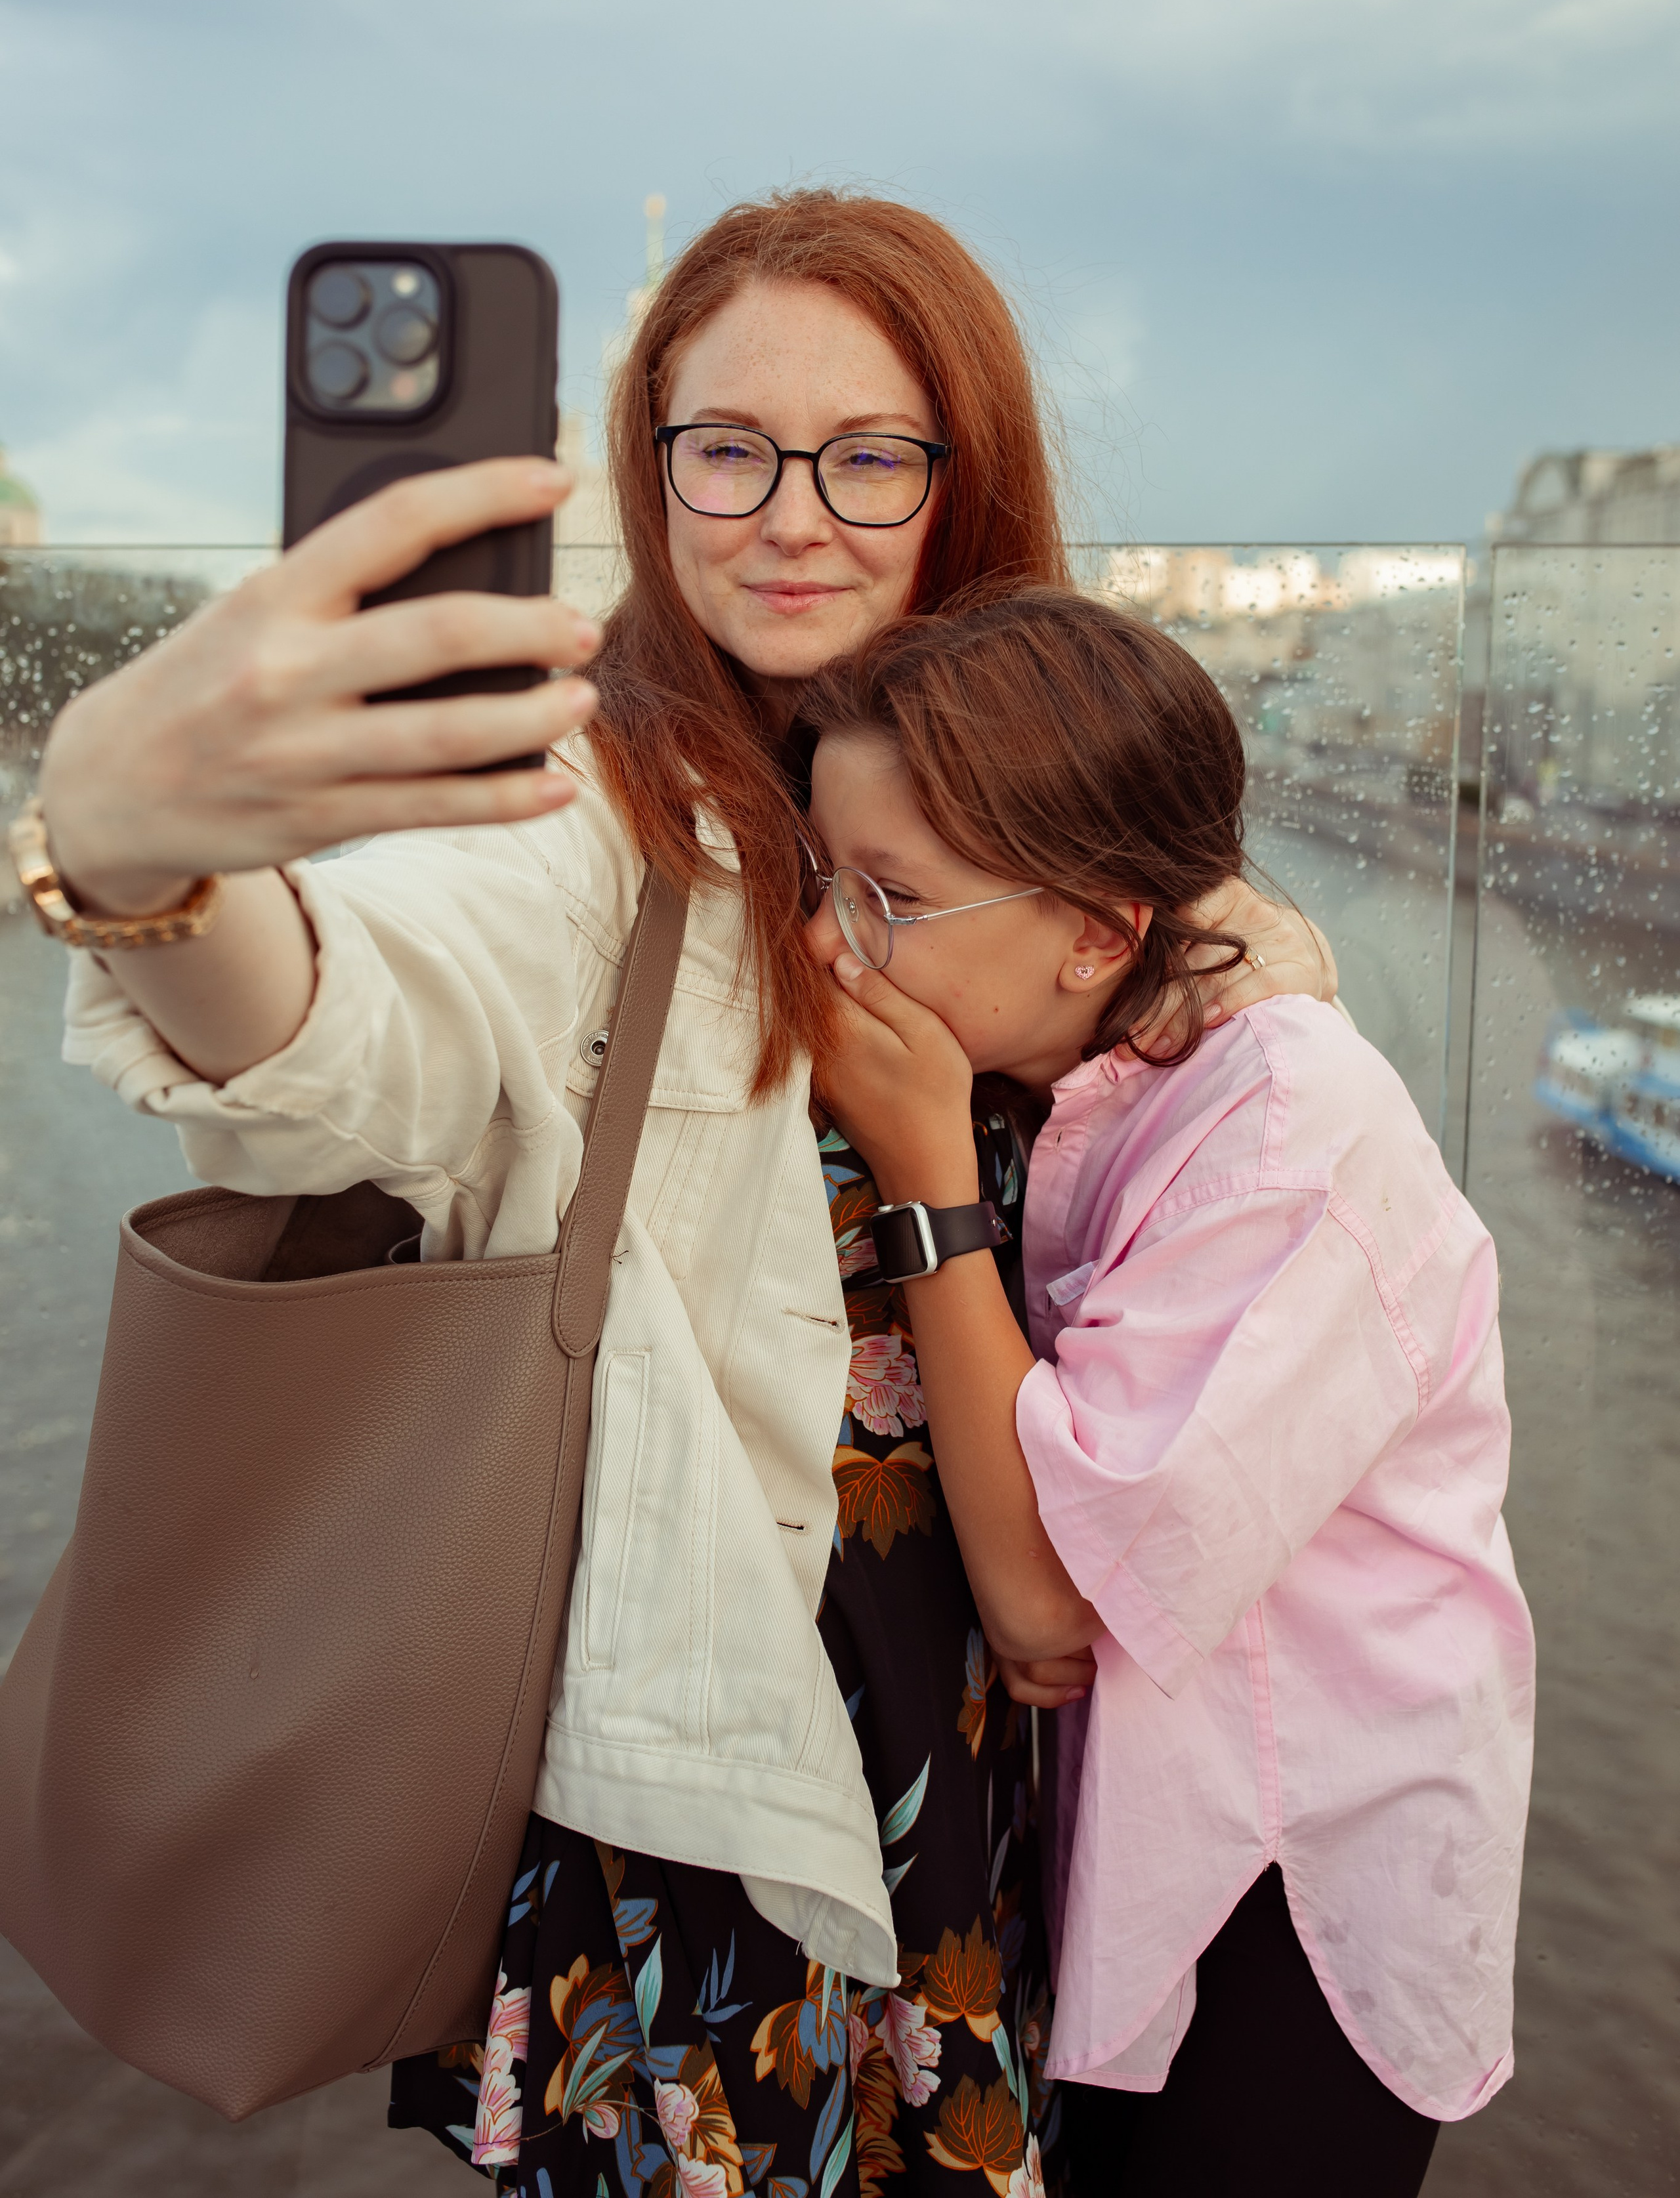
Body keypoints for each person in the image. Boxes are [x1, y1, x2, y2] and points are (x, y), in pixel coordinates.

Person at [32, 191, 1336, 2197]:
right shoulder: (587, 815)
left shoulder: (1037, 822)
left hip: (994, 1731)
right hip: (719, 1764)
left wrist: (1211, 921)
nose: (791, 516)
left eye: (871, 455)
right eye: (726, 449)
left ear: (961, 483)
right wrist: (139, 868)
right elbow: (343, 1029)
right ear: (650, 472)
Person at [798, 587, 1535, 2198]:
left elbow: (1052, 1596)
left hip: (1300, 1861)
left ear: (1096, 929)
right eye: (822, 876)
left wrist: (925, 1172)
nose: (825, 943)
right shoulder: (1088, 1057)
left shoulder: (1284, 1132)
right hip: (1154, 1816)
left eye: (886, 897)